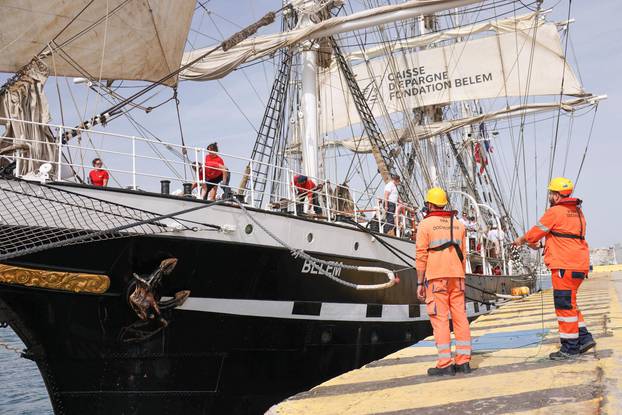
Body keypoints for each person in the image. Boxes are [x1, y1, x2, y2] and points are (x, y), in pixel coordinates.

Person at [513, 177, 595, 360]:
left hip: (563, 266)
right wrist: (541, 245)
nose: (549, 196)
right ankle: (584, 338)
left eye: (551, 193)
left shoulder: (555, 212)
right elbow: (565, 237)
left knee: (564, 307)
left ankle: (570, 348)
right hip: (579, 264)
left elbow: (535, 232)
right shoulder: (578, 213)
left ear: (557, 195)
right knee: (571, 303)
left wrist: (522, 241)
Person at [416, 187, 471, 376]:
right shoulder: (459, 224)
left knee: (440, 319)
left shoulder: (425, 225)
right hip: (457, 277)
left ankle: (445, 363)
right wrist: (461, 275)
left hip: (436, 277)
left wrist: (419, 283)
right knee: (460, 317)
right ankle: (464, 362)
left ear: (430, 204)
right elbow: (463, 255)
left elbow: (421, 256)